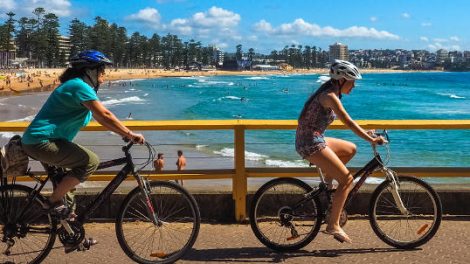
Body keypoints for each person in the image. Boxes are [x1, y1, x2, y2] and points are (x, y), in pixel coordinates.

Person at [21, 50, 145, 249]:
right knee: (91, 161)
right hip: (41, 141)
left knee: (68, 193)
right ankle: (51, 202)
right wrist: (130, 134)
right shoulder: (79, 86)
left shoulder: (76, 86)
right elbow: (104, 115)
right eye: (101, 71)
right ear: (89, 71)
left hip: (46, 141)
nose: (103, 77)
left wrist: (122, 133)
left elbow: (102, 118)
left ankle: (72, 237)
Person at [295, 60, 386, 244]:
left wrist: (366, 134)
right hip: (309, 142)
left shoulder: (332, 92)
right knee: (347, 180)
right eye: (352, 81)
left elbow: (346, 123)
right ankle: (333, 225)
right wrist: (371, 139)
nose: (354, 86)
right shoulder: (329, 96)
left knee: (350, 149)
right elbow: (348, 121)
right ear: (341, 80)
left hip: (315, 137)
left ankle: (328, 189)